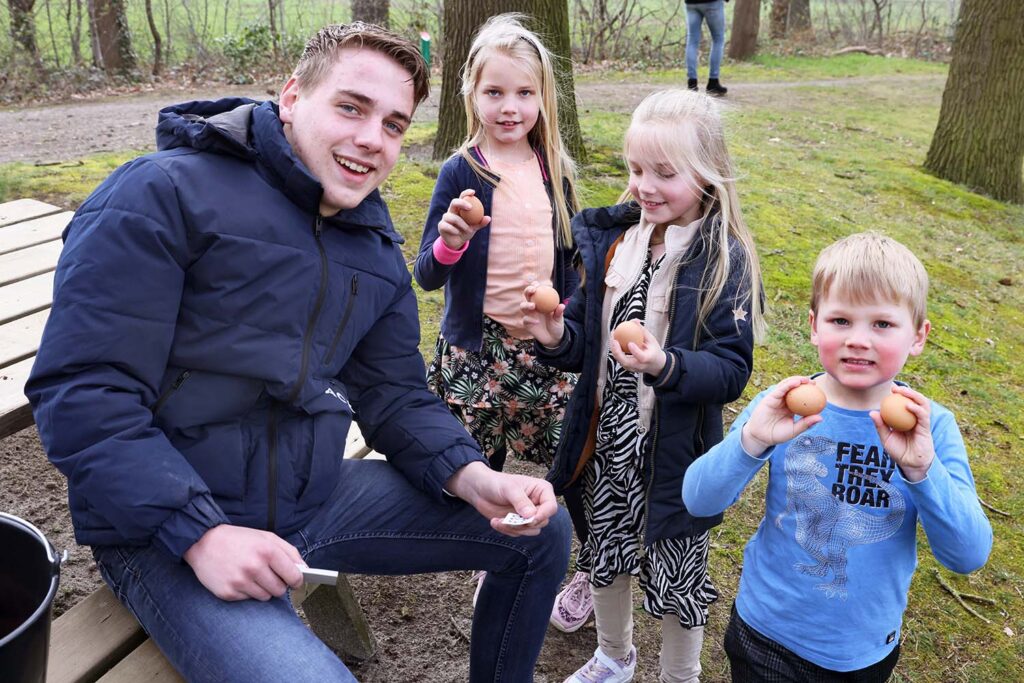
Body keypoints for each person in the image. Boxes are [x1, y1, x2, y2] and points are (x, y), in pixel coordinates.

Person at [26, 22, 571, 683]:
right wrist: (202, 534)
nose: (372, 138)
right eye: (351, 106)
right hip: (167, 530)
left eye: (394, 125)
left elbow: (395, 394)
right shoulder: (160, 194)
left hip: (311, 495)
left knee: (541, 532)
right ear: (291, 97)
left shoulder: (370, 244)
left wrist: (472, 475)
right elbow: (83, 391)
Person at [523, 88, 765, 683]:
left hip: (675, 456)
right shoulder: (616, 243)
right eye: (635, 169)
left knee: (677, 575)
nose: (644, 186)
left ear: (708, 177)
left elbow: (731, 370)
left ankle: (680, 674)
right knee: (605, 554)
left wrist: (667, 365)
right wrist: (556, 333)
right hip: (606, 443)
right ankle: (614, 655)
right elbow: (586, 343)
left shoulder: (721, 261)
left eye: (665, 173)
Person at [683, 232, 993, 681]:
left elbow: (968, 555)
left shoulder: (931, 427)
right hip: (764, 633)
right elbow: (698, 500)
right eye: (841, 320)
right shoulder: (784, 403)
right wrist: (751, 440)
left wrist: (923, 471)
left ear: (918, 336)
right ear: (814, 326)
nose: (858, 340)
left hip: (861, 651)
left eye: (882, 324)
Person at [413, 13, 588, 621]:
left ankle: (590, 564)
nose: (509, 107)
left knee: (571, 461)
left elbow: (572, 263)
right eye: (495, 92)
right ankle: (494, 556)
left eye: (524, 92)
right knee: (477, 469)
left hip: (544, 349)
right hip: (476, 352)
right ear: (472, 95)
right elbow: (427, 274)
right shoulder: (461, 171)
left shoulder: (555, 171)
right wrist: (452, 241)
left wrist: (568, 319)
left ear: (543, 97)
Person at [685, 0, 729, 97]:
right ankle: (713, 81)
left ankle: (692, 82)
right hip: (712, 2)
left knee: (692, 40)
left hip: (691, 4)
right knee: (718, 39)